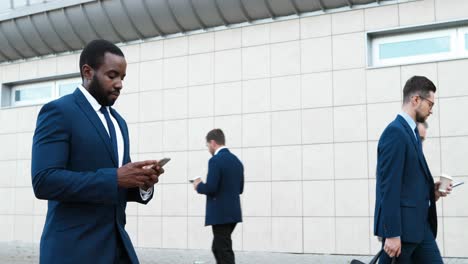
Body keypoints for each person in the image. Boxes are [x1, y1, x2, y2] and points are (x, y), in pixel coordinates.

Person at [31, 39, 164, 264]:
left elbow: (119, 184)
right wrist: (115, 178)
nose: (120, 84)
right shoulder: (59, 112)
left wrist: (141, 183)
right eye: (112, 75)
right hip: (73, 251)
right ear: (88, 72)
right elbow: (44, 180)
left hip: (117, 248)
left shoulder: (119, 123)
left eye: (122, 77)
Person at [374, 76, 451, 264]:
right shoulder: (395, 133)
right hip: (403, 233)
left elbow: (408, 182)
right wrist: (391, 234)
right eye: (430, 104)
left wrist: (432, 192)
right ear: (415, 100)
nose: (431, 110)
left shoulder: (413, 133)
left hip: (420, 228)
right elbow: (388, 187)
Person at [192, 129, 244, 264]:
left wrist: (198, 185)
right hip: (233, 213)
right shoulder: (237, 161)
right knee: (218, 248)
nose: (208, 148)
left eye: (207, 145)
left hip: (221, 215)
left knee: (222, 250)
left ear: (213, 142)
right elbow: (240, 189)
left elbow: (211, 188)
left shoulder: (215, 160)